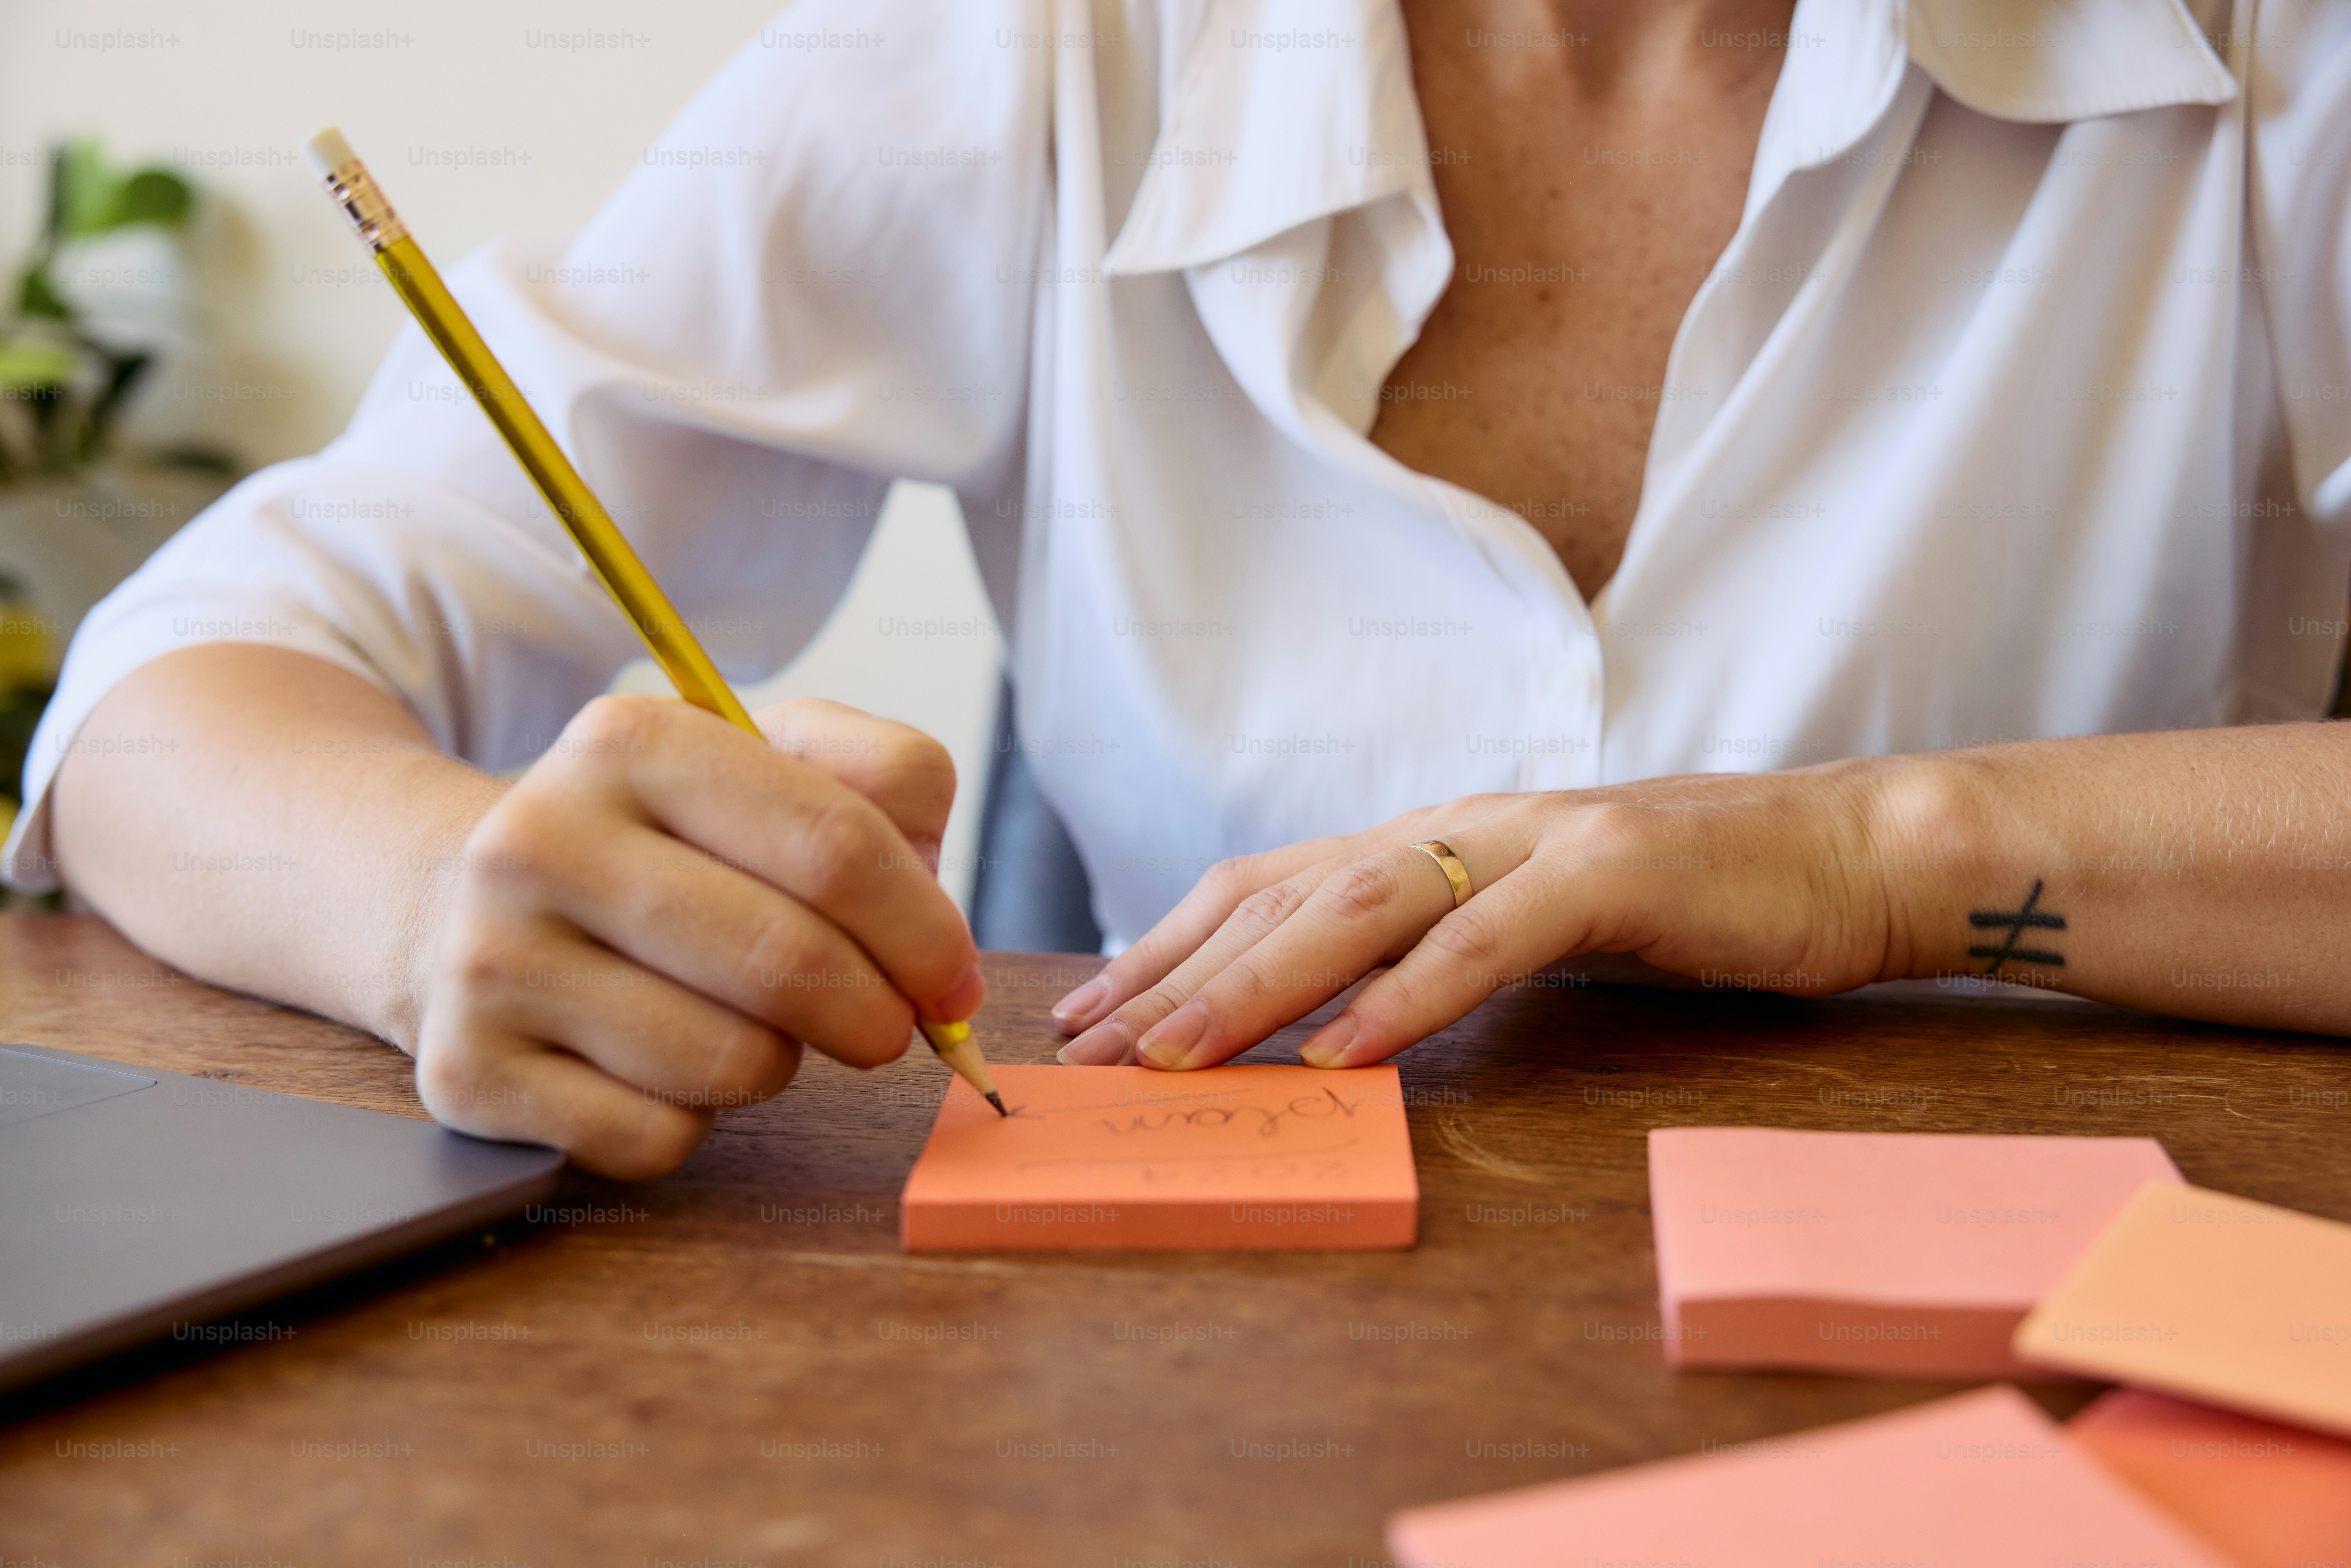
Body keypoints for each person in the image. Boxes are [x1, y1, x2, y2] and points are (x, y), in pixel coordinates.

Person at [17, 0, 2351, 1178]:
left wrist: (1883, 853)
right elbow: (163, 701)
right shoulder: (1046, 41)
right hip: (1195, 1419)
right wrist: (435, 898)